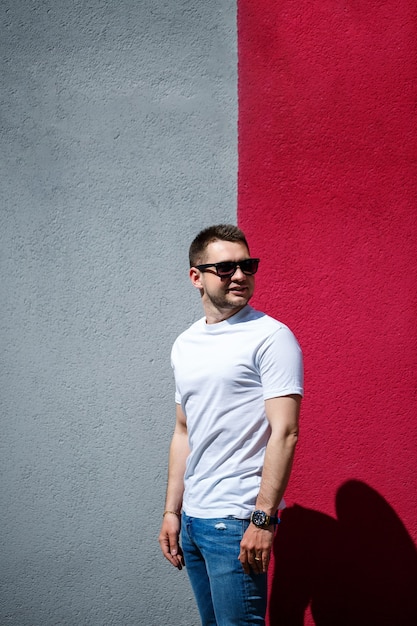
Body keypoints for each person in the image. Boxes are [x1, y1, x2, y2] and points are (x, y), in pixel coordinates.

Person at [158, 224, 304, 626]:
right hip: (193, 520)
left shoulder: (271, 338)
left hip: (237, 521)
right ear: (196, 277)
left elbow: (285, 432)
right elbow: (184, 431)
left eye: (247, 265)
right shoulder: (185, 343)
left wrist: (263, 518)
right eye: (225, 268)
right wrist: (172, 511)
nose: (240, 275)